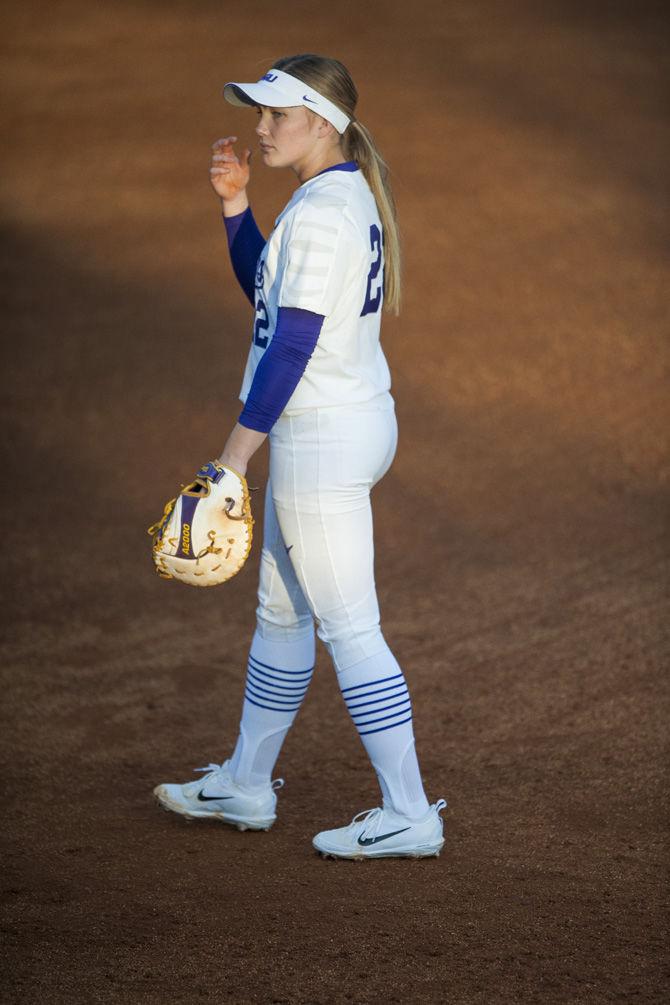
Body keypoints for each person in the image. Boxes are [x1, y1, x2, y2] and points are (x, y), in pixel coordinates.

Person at [154, 54, 446, 859]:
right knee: (282, 612)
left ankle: (410, 811)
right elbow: (269, 292)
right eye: (260, 113)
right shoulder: (329, 198)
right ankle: (247, 783)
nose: (261, 128)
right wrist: (237, 206)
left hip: (320, 436)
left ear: (323, 119)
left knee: (350, 627)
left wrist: (231, 459)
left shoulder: (323, 212)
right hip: (334, 424)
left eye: (276, 115)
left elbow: (293, 345)